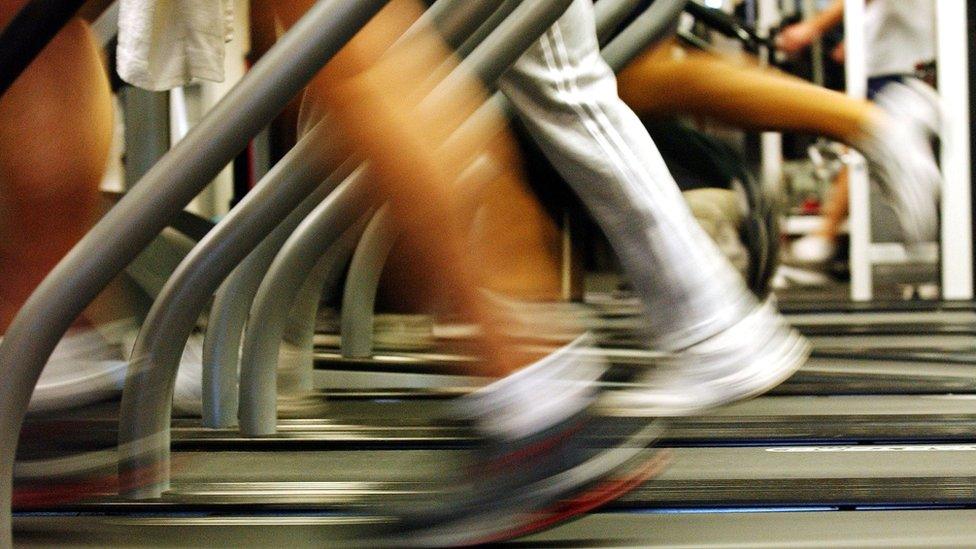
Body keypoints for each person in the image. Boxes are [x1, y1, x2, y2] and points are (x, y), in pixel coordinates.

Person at [777, 0, 940, 264]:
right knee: (853, 138)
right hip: (890, 62)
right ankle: (826, 234)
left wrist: (811, 27)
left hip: (898, 69)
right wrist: (855, 35)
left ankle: (826, 234)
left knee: (856, 134)